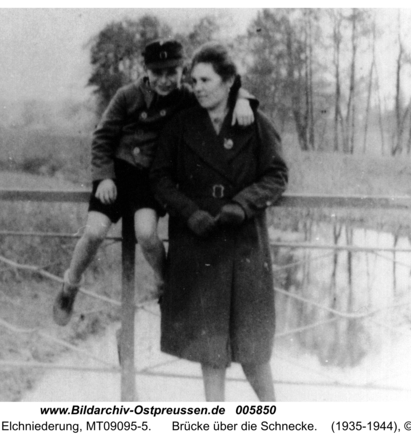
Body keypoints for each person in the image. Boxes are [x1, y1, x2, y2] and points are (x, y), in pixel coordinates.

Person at [53, 39, 257, 326]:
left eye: (171, 72)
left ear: (182, 70)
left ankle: (168, 285)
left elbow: (225, 87)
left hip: (148, 181)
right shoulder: (127, 95)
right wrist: (103, 177)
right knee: (94, 232)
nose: (164, 80)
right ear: (145, 70)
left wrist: (243, 98)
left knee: (147, 234)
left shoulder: (186, 96)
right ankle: (70, 285)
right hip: (116, 176)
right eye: (156, 72)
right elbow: (102, 137)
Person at [150, 42, 288, 401]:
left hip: (244, 245)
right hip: (198, 243)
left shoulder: (254, 122)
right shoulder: (180, 125)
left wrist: (242, 205)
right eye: (193, 80)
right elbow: (160, 178)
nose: (197, 87)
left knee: (253, 350)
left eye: (206, 80)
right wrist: (189, 212)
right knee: (210, 352)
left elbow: (276, 175)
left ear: (229, 82)